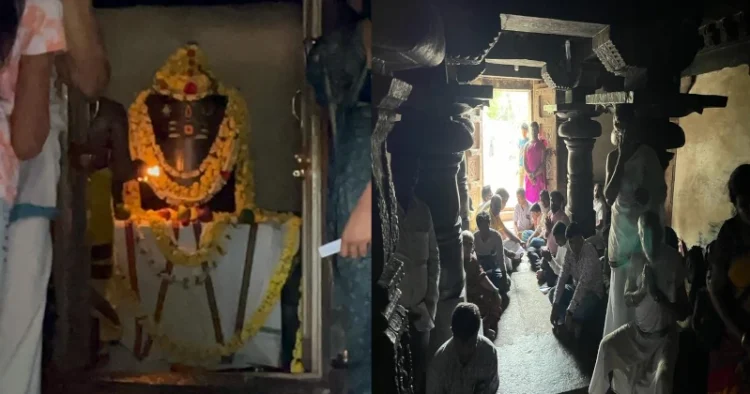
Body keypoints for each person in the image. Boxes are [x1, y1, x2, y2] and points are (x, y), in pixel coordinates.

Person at [306, 1, 372, 391]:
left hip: (363, 191)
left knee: (366, 334)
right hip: (351, 180)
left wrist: (366, 202)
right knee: (358, 327)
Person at [589, 212, 689, 394]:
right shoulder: (636, 260)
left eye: (653, 235)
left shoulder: (673, 260)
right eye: (644, 235)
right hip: (638, 333)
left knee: (662, 379)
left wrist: (657, 295)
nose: (648, 241)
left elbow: (684, 312)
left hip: (664, 338)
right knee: (606, 347)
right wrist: (643, 291)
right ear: (639, 235)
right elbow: (628, 299)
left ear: (660, 234)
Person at [603, 126, 667, 393]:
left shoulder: (649, 156)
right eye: (618, 125)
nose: (623, 131)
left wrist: (648, 196)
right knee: (621, 302)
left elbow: (661, 193)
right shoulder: (611, 157)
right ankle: (619, 372)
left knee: (642, 304)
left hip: (641, 240)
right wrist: (621, 157)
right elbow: (608, 195)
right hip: (621, 238)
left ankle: (641, 367)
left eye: (626, 125)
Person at [392, 155, 440, 394]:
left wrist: (430, 302)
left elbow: (434, 259)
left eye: (414, 176)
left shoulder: (423, 211)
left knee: (420, 373)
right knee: (396, 378)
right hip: (393, 316)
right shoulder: (384, 214)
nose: (410, 181)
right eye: (405, 176)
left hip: (421, 313)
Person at [704, 164, 750, 393]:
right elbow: (716, 292)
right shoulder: (729, 237)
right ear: (735, 204)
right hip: (735, 336)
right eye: (744, 205)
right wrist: (741, 336)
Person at [426, 302, 500, 394]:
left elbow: (491, 389)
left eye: (470, 344)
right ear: (452, 331)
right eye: (460, 344)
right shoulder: (439, 364)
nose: (465, 351)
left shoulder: (489, 353)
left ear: (477, 333)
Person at [551, 222, 604, 340]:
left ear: (582, 238)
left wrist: (570, 311)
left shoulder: (589, 253)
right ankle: (573, 324)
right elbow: (562, 276)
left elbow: (583, 285)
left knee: (579, 310)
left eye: (576, 241)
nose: (574, 246)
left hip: (592, 293)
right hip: (575, 290)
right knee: (552, 293)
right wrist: (555, 304)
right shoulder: (570, 251)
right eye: (571, 242)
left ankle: (568, 320)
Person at [461, 231, 503, 341]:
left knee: (495, 296)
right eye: (464, 243)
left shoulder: (472, 260)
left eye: (470, 244)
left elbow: (482, 276)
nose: (467, 246)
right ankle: (479, 331)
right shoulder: (457, 262)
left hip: (477, 292)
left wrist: (495, 290)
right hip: (466, 296)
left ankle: (485, 326)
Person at [474, 211, 510, 294]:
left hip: (494, 266)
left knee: (505, 284)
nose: (484, 230)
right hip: (481, 268)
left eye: (486, 227)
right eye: (481, 227)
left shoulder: (496, 236)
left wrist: (504, 276)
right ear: (478, 226)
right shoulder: (474, 237)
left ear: (489, 224)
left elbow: (501, 258)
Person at [538, 221, 568, 288]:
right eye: (556, 239)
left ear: (565, 236)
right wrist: (549, 257)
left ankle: (545, 275)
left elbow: (562, 272)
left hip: (565, 275)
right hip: (557, 270)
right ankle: (544, 273)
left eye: (559, 239)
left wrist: (550, 259)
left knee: (556, 283)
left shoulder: (569, 248)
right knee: (544, 260)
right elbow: (557, 261)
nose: (557, 242)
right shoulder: (561, 245)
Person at [523, 122, 547, 203]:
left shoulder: (542, 146)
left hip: (538, 177)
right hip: (529, 178)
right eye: (532, 129)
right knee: (529, 202)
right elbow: (524, 163)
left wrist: (534, 175)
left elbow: (543, 164)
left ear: (538, 131)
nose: (533, 131)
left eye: (535, 129)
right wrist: (529, 175)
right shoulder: (526, 146)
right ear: (530, 131)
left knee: (539, 202)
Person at [545, 191, 571, 257]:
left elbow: (563, 242)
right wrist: (547, 230)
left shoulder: (563, 219)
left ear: (560, 203)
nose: (553, 203)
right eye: (551, 200)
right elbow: (546, 235)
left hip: (558, 254)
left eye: (555, 201)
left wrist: (551, 229)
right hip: (549, 250)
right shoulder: (549, 214)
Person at [518, 123, 529, 187]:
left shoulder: (528, 141)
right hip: (521, 163)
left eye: (525, 131)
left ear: (527, 131)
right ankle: (520, 195)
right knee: (520, 183)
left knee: (527, 182)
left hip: (527, 164)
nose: (523, 133)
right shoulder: (519, 141)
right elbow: (519, 152)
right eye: (522, 131)